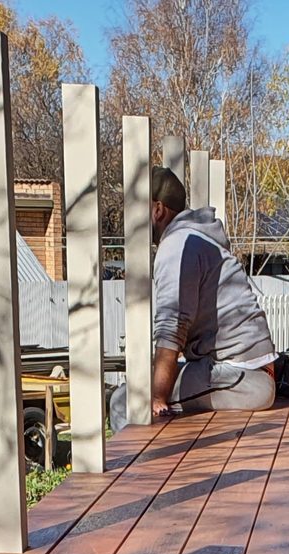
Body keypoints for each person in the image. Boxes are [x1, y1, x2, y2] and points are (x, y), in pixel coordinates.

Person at [111, 168, 276, 426]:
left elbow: (171, 329)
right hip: (243, 372)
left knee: (125, 402)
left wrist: (156, 396)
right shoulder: (195, 238)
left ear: (157, 210)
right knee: (141, 393)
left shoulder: (177, 246)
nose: (129, 216)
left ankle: (141, 467)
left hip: (242, 377)